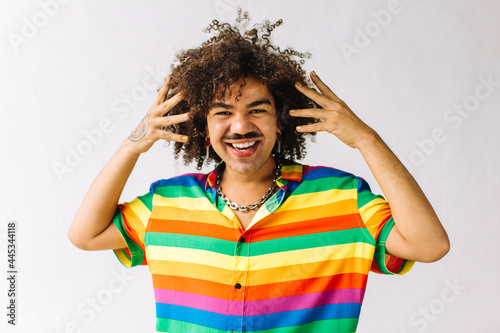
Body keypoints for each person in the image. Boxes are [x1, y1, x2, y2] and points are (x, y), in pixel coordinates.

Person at [68, 12, 450, 333]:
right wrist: (134, 143)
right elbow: (86, 234)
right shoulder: (166, 204)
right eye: (222, 112)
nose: (240, 126)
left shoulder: (341, 198)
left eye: (257, 109)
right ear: (202, 129)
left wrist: (366, 139)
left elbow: (429, 245)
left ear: (280, 122)